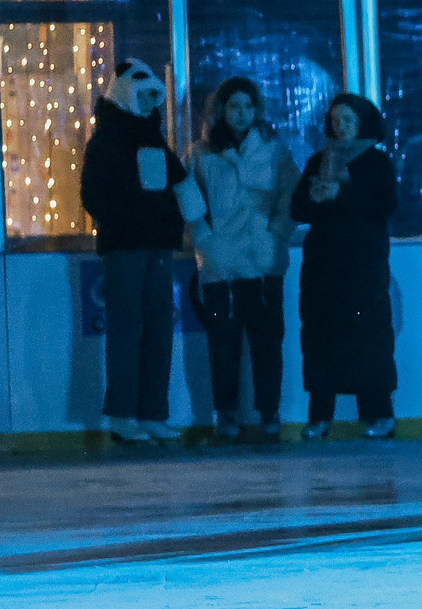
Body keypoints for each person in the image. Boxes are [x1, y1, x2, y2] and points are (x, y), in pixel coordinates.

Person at [79, 60, 200, 445]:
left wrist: (179, 222)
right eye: (143, 95)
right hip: (126, 247)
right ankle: (122, 414)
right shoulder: (107, 140)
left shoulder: (152, 140)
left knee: (158, 328)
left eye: (154, 97)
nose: (149, 103)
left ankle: (151, 412)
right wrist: (132, 218)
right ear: (127, 93)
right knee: (128, 329)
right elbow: (93, 196)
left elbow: (180, 184)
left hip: (157, 247)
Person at [188, 77, 299, 443]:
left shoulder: (273, 150)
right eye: (234, 107)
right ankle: (227, 416)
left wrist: (279, 230)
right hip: (221, 266)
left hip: (264, 261)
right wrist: (205, 239)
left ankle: (270, 414)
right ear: (221, 110)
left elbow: (291, 195)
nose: (241, 114)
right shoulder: (200, 154)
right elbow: (188, 202)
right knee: (224, 346)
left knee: (268, 344)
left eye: (247, 107)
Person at [291, 94, 398, 440]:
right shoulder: (319, 161)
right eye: (336, 120)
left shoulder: (376, 162)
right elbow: (297, 208)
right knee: (320, 339)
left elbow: (384, 206)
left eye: (348, 119)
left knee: (368, 339)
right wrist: (315, 197)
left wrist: (342, 195)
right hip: (322, 265)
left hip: (363, 266)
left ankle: (378, 413)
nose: (341, 126)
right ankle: (320, 416)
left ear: (363, 122)